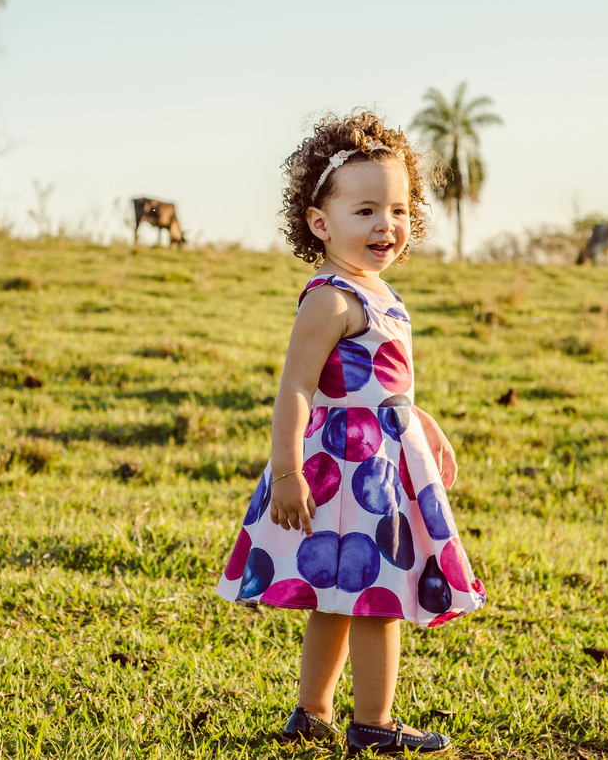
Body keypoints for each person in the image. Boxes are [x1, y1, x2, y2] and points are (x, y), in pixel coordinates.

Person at [216, 111, 486, 755]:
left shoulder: (381, 292)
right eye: (364, 211)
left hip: (381, 463)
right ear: (321, 222)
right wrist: (285, 471)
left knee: (340, 597)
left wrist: (422, 422)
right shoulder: (331, 298)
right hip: (347, 473)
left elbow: (374, 384)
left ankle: (311, 713)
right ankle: (374, 723)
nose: (385, 225)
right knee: (377, 599)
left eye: (397, 210)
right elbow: (299, 389)